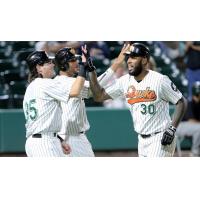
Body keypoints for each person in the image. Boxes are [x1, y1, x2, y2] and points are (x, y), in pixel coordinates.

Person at [88, 42, 187, 157]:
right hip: (141, 139)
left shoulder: (160, 80)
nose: (129, 60)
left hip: (160, 137)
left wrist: (172, 129)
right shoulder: (124, 81)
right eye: (129, 57)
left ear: (144, 60)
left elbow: (181, 101)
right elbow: (98, 96)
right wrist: (91, 72)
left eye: (134, 57)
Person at [54, 44, 130, 157]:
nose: (77, 62)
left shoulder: (68, 81)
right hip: (69, 139)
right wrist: (117, 63)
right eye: (73, 60)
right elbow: (93, 88)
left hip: (77, 137)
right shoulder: (63, 82)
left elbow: (93, 87)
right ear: (64, 64)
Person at [23, 50, 88, 157]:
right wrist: (83, 67)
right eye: (48, 63)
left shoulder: (30, 87)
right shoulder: (45, 83)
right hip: (44, 142)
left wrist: (59, 139)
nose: (53, 64)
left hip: (38, 140)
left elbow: (42, 120)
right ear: (39, 68)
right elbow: (75, 91)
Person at [176, 81, 200, 156]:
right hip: (180, 126)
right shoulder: (189, 103)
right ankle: (195, 152)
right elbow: (190, 120)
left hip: (192, 126)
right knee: (199, 128)